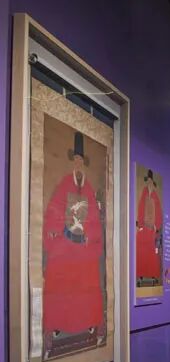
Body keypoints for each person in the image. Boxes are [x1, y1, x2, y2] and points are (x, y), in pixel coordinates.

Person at [42, 131, 104, 348]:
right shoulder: (64, 183)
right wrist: (53, 229)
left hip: (82, 248)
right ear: (73, 162)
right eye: (75, 159)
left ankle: (89, 322)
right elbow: (54, 209)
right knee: (61, 283)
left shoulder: (89, 189)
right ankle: (58, 323)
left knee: (87, 285)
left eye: (81, 160)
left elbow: (94, 219)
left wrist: (90, 236)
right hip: (67, 244)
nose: (78, 163)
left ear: (83, 163)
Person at [136, 169, 163, 284]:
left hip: (152, 229)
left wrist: (157, 226)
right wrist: (140, 225)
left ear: (153, 182)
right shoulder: (144, 193)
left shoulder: (155, 196)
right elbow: (140, 208)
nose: (149, 183)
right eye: (148, 181)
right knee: (141, 250)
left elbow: (159, 212)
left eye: (151, 181)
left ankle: (153, 274)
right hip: (144, 228)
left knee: (152, 252)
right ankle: (140, 274)